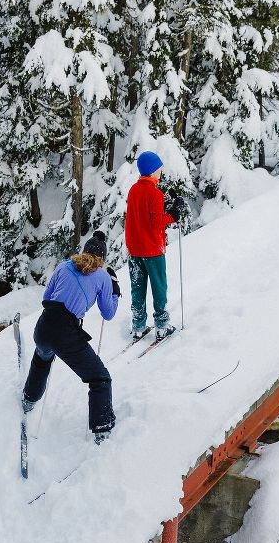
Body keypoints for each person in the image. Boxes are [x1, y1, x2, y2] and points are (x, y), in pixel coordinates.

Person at [22, 230, 120, 444]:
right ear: (102, 258)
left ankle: (28, 399)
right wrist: (114, 289)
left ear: (84, 250)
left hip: (44, 325)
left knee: (42, 358)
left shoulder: (63, 265)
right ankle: (102, 429)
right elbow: (108, 313)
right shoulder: (102, 276)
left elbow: (47, 297)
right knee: (100, 378)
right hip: (66, 332)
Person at [124, 151, 185, 340]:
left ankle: (138, 326)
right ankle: (161, 326)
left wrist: (164, 204)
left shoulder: (134, 190)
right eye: (159, 168)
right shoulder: (155, 193)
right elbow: (156, 222)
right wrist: (174, 215)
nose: (161, 171)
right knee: (159, 287)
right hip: (152, 250)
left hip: (135, 249)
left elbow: (143, 214)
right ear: (152, 171)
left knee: (137, 287)